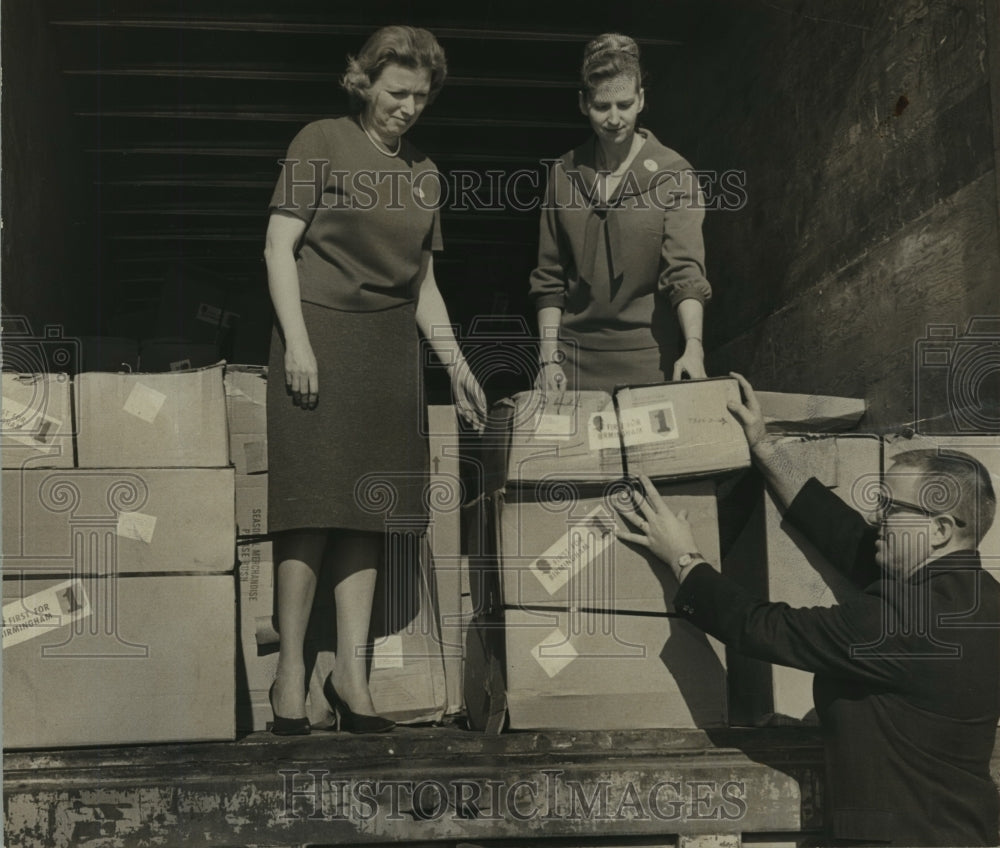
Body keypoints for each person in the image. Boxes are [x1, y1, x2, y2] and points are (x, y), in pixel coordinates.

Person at [617, 372, 1000, 846]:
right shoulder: (979, 600)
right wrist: (766, 449)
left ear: (939, 530)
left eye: (890, 507)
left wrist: (683, 558)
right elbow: (852, 541)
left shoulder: (902, 622)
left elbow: (765, 627)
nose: (877, 517)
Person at [263, 26, 486, 735]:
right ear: (364, 82)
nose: (409, 107)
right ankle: (291, 671)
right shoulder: (319, 141)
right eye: (397, 92)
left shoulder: (426, 173)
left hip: (389, 354)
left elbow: (423, 282)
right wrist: (297, 341)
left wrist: (456, 363)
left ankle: (353, 680)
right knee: (310, 506)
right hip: (319, 336)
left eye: (421, 96)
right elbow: (277, 245)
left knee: (367, 513)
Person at [530, 33, 712, 393]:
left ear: (641, 99)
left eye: (625, 105)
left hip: (647, 357)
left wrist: (693, 347)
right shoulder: (563, 173)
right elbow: (549, 277)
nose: (614, 119)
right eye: (602, 106)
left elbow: (685, 272)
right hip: (570, 362)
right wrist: (548, 358)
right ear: (583, 104)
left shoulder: (674, 173)